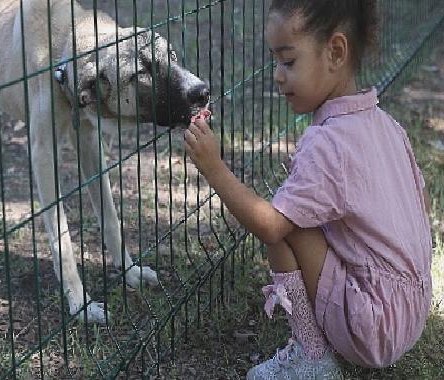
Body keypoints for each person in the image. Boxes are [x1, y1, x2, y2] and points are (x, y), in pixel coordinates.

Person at [184, 0, 433, 378]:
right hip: (412, 309)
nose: (277, 76)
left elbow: (269, 227)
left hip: (372, 328)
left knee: (286, 222)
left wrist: (215, 169)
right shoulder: (387, 126)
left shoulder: (328, 143)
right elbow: (423, 201)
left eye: (289, 61)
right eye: (276, 62)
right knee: (301, 211)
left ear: (335, 52)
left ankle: (312, 356)